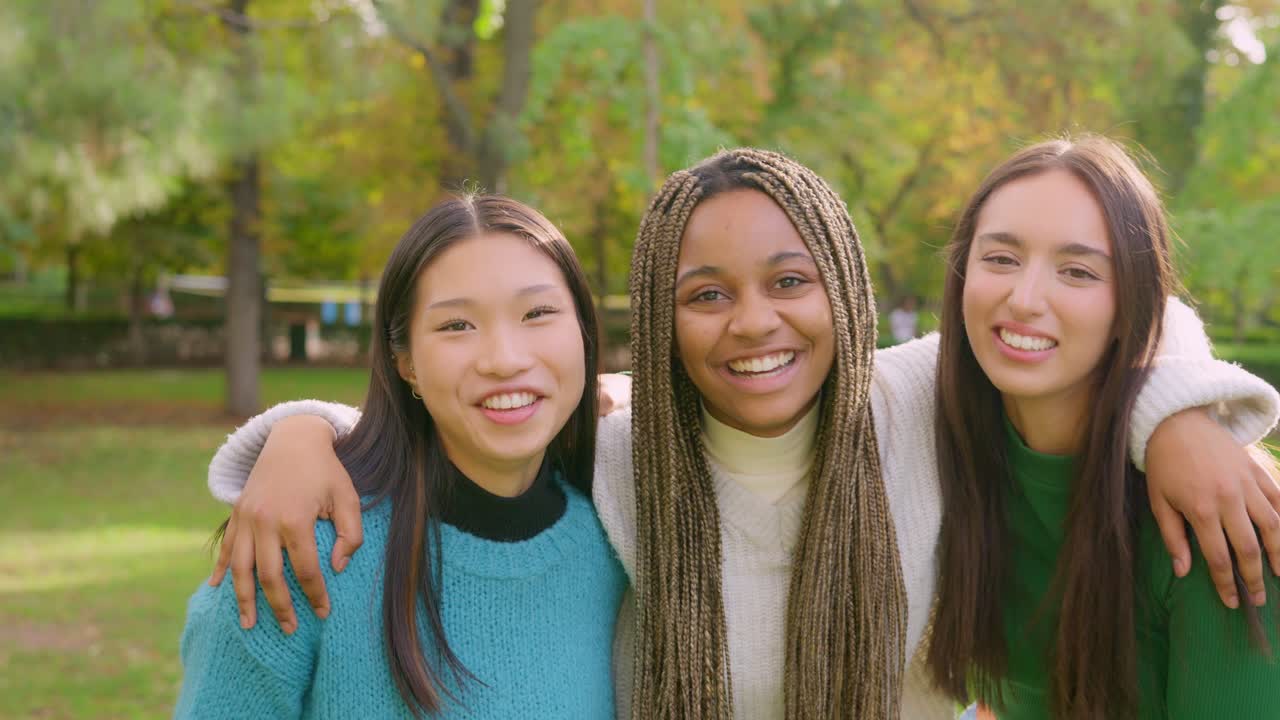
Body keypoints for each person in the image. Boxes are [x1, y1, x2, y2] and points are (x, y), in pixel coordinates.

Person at [200, 150, 1279, 719]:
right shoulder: (619, 458)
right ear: (659, 323)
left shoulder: (917, 403)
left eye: (789, 281)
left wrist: (1176, 409)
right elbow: (484, 411)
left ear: (845, 291)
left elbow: (1072, 318)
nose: (753, 323)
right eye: (704, 293)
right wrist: (305, 434)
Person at [175, 196, 627, 718]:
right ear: (404, 360)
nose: (506, 359)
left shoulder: (619, 533)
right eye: (457, 325)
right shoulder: (301, 549)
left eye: (538, 313)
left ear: (584, 332)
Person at [925, 136, 1280, 719]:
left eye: (1077, 271)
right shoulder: (953, 449)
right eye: (1001, 259)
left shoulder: (1214, 514)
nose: (1024, 299)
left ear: (1133, 308)